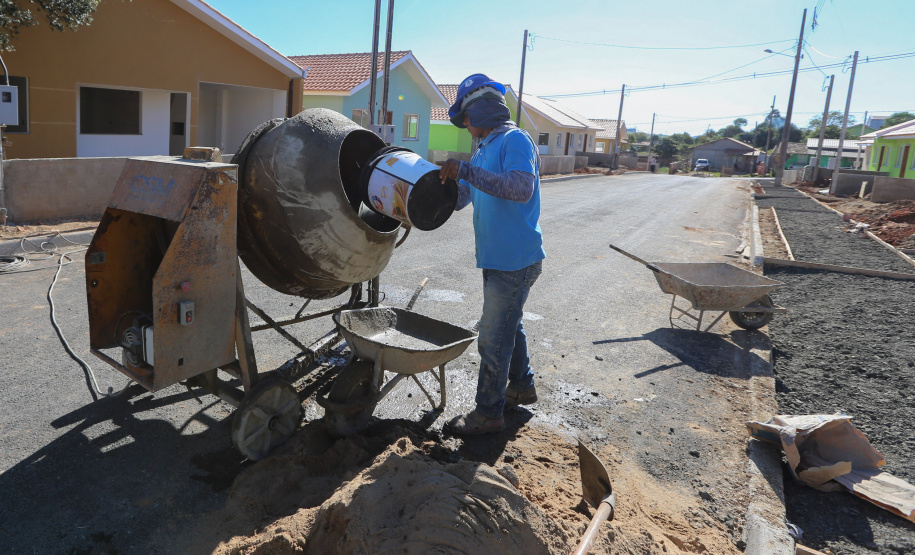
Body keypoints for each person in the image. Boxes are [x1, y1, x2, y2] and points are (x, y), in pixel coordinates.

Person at [438, 73, 545, 435]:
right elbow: (463, 196)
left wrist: (467, 170)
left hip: (516, 259)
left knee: (493, 336)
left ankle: (488, 413)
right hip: (497, 257)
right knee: (509, 325)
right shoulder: (483, 149)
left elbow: (521, 188)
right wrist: (430, 193)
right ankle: (522, 386)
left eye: (467, 117)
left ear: (482, 111)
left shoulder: (516, 140)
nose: (466, 125)